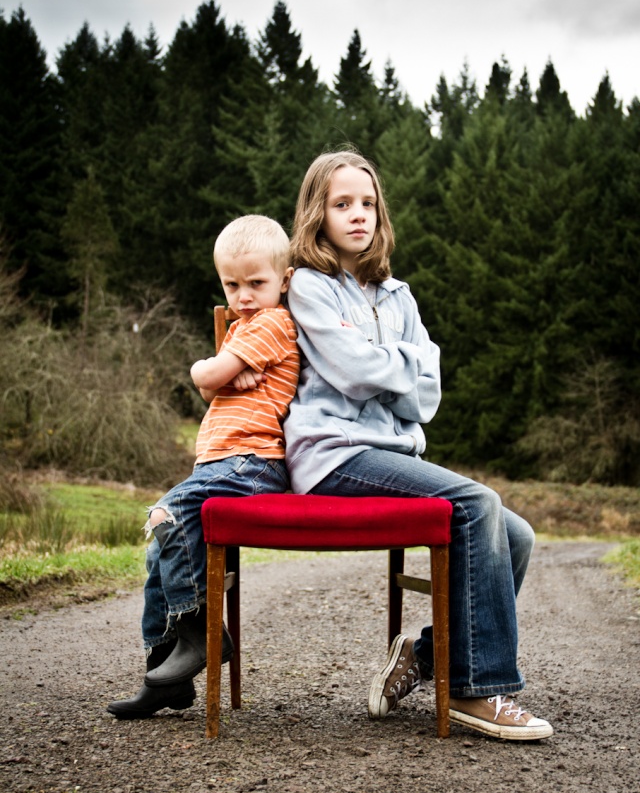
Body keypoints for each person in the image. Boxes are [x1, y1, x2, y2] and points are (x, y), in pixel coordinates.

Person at [284, 150, 553, 741]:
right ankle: (477, 691)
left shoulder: (398, 295)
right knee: (476, 502)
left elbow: (426, 394)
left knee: (516, 534)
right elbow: (353, 373)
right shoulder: (309, 286)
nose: (359, 216)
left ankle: (430, 656)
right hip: (336, 456)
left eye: (369, 204)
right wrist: (399, 364)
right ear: (317, 214)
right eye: (342, 204)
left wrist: (386, 366)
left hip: (393, 456)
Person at [108, 215, 299, 719]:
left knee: (164, 515)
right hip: (222, 465)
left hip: (252, 463)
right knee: (159, 554)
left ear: (285, 280)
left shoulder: (272, 324)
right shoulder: (245, 328)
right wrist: (220, 376)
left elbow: (208, 377)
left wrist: (206, 370)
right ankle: (164, 668)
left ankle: (203, 635)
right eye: (232, 285)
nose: (244, 296)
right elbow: (219, 383)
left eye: (257, 283)